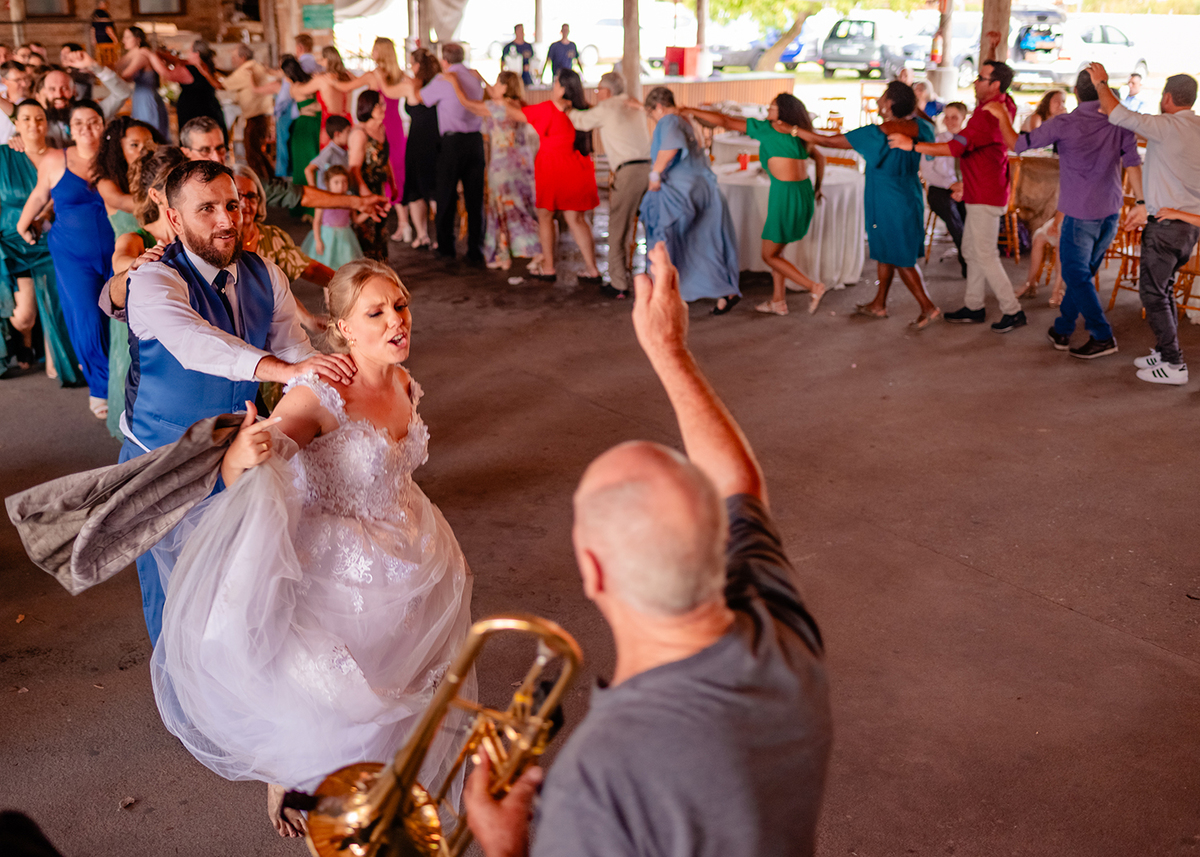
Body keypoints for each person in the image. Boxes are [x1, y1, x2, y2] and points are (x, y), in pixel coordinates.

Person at [462, 241, 832, 857]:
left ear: (593, 570)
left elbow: (737, 489)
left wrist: (509, 848)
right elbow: (740, 486)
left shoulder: (596, 782)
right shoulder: (782, 632)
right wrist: (669, 349)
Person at [147, 257, 473, 838]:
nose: (396, 321)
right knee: (337, 700)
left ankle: (378, 789)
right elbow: (263, 448)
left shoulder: (403, 382)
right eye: (375, 312)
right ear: (344, 328)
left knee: (399, 689)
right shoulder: (319, 393)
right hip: (337, 565)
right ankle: (296, 776)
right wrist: (246, 450)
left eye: (399, 306)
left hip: (409, 546)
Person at [120, 159, 356, 643]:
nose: (227, 219)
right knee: (172, 592)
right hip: (160, 459)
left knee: (239, 585)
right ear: (175, 219)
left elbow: (297, 353)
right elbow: (195, 344)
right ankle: (184, 706)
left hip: (237, 455)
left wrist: (339, 396)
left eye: (233, 204)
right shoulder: (151, 280)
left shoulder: (265, 274)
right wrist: (285, 369)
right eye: (206, 208)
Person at [988, 69, 1142, 360]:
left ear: (1076, 92)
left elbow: (1018, 145)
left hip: (1080, 212)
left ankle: (1102, 334)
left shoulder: (1065, 123)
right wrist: (1142, 201)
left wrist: (1001, 117)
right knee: (1081, 276)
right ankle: (1063, 328)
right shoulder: (1119, 121)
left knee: (1075, 274)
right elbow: (1133, 162)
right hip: (1110, 210)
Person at [785, 81, 938, 327]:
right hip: (908, 193)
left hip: (888, 198)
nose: (878, 101)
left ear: (889, 103)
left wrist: (793, 130)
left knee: (901, 257)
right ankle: (879, 304)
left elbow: (829, 141)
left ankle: (928, 307)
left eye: (883, 97)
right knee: (886, 252)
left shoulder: (875, 133)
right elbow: (923, 124)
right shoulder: (922, 127)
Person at [889, 60, 1026, 333]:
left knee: (984, 253)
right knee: (972, 251)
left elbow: (953, 147)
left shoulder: (987, 115)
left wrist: (912, 145)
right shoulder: (1004, 102)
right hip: (981, 189)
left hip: (985, 193)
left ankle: (1013, 310)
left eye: (981, 78)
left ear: (994, 84)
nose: (975, 81)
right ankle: (974, 306)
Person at [1089, 63, 1200, 386]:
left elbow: (1117, 112)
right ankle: (1166, 352)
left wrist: (1102, 82)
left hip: (1167, 225)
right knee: (1163, 290)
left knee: (1153, 293)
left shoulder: (1166, 126)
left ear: (1167, 98)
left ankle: (1174, 363)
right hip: (1187, 229)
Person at [685, 94, 827, 316]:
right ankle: (778, 301)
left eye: (773, 107)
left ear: (784, 111)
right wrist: (818, 187)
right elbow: (820, 158)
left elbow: (725, 121)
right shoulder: (797, 133)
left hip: (785, 195)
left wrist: (690, 110)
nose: (768, 110)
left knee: (769, 255)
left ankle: (813, 286)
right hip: (803, 192)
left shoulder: (768, 129)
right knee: (778, 251)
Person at [17, 100, 114, 419]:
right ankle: (100, 389)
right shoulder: (55, 159)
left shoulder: (116, 159)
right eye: (80, 123)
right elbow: (40, 194)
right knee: (87, 316)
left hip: (119, 249)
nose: (87, 128)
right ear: (70, 128)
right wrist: (22, 222)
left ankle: (127, 380)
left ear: (104, 124)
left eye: (94, 121)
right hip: (73, 254)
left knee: (123, 316)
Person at [485, 68, 600, 282]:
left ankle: (548, 267)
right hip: (578, 167)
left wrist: (502, 100)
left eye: (556, 83)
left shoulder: (549, 109)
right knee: (576, 219)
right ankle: (592, 269)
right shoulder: (582, 108)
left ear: (563, 88)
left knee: (545, 216)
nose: (553, 87)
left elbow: (517, 115)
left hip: (553, 167)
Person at [102, 146, 185, 439]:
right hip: (147, 344)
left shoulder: (193, 236)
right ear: (157, 195)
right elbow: (120, 260)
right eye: (176, 183)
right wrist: (138, 263)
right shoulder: (138, 237)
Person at [179, 114, 393, 223]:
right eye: (205, 150)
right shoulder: (175, 192)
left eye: (220, 148)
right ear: (186, 152)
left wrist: (358, 202)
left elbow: (297, 194)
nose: (216, 157)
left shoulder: (238, 180)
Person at [0, 99, 80, 388]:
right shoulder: (4, 155)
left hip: (52, 239)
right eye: (26, 119)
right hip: (12, 242)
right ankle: (23, 338)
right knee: (24, 318)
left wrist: (45, 213)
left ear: (46, 123)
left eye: (39, 119)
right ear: (16, 124)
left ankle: (55, 359)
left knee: (55, 303)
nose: (33, 125)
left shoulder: (61, 156)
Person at [638, 86, 740, 313]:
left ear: (658, 107)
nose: (654, 120)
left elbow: (671, 147)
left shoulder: (668, 121)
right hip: (705, 188)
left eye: (652, 114)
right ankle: (725, 291)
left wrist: (655, 175)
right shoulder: (688, 120)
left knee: (664, 237)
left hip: (681, 191)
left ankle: (664, 292)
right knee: (705, 240)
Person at [441, 69, 541, 271]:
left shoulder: (499, 106)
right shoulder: (520, 104)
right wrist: (483, 79)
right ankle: (527, 251)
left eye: (497, 83)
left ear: (505, 87)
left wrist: (454, 82)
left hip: (503, 166)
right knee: (523, 207)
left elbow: (468, 104)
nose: (493, 86)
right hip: (523, 164)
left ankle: (522, 252)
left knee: (501, 208)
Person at [568, 70, 651, 298]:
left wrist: (566, 108)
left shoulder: (608, 107)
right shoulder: (633, 104)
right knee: (649, 225)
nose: (596, 94)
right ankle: (650, 275)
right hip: (649, 169)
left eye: (598, 90)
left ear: (607, 91)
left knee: (618, 228)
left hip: (629, 172)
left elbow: (580, 121)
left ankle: (619, 284)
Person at [233, 164, 334, 332]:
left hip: (270, 333)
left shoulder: (272, 239)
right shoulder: (216, 244)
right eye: (237, 196)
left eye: (252, 196)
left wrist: (357, 287)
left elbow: (308, 272)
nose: (245, 203)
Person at [417, 43, 485, 264]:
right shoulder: (475, 77)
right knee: (474, 199)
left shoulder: (443, 80)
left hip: (453, 143)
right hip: (475, 141)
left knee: (446, 194)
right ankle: (475, 248)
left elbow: (421, 98)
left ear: (444, 60)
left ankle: (446, 247)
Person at [341, 37, 413, 243]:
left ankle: (380, 215)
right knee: (395, 170)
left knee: (376, 167)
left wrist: (331, 78)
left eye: (374, 50)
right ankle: (403, 222)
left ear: (379, 52)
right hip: (395, 124)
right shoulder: (401, 75)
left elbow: (347, 87)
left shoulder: (373, 75)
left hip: (378, 123)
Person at [398, 49, 441, 250]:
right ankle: (436, 236)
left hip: (419, 140)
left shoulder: (413, 85)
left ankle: (423, 234)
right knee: (431, 189)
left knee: (420, 189)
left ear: (417, 65)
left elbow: (390, 91)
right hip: (433, 139)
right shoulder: (438, 84)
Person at [921, 101, 968, 279]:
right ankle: (967, 260)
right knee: (951, 212)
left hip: (965, 189)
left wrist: (963, 188)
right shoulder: (936, 141)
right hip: (940, 189)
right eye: (946, 117)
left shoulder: (969, 141)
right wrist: (950, 185)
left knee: (972, 213)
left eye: (954, 117)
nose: (949, 121)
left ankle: (973, 256)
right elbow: (927, 171)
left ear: (963, 118)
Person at [93, 116, 163, 237]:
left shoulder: (158, 176)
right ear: (119, 149)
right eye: (134, 145)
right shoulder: (106, 183)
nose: (144, 150)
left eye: (149, 144)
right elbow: (131, 204)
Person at [348, 90, 396, 261]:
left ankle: (381, 272)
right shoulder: (360, 134)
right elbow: (354, 169)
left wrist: (393, 183)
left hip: (379, 188)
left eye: (383, 104)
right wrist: (366, 195)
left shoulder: (381, 128)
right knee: (366, 233)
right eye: (378, 105)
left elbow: (385, 158)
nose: (383, 108)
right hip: (364, 189)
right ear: (368, 107)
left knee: (381, 231)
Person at [116, 27, 189, 139]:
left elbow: (125, 75)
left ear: (137, 39)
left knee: (149, 132)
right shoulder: (139, 53)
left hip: (146, 99)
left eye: (127, 37)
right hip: (140, 97)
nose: (124, 40)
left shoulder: (143, 55)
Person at [223, 44, 275, 180]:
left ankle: (263, 185)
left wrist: (205, 71)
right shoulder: (257, 66)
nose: (232, 60)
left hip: (256, 117)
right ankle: (272, 181)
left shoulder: (246, 70)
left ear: (243, 57)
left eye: (234, 57)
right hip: (262, 116)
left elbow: (222, 84)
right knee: (258, 153)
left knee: (252, 154)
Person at [301, 165, 364, 269]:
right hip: (327, 237)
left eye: (344, 182)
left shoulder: (350, 199)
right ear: (328, 183)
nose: (341, 186)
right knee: (327, 264)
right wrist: (318, 240)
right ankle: (327, 285)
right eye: (336, 182)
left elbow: (356, 220)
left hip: (345, 236)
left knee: (345, 263)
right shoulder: (323, 200)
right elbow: (316, 222)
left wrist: (369, 212)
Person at [175, 41, 228, 145]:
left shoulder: (191, 69)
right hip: (211, 107)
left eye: (190, 51)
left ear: (196, 53)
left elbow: (167, 74)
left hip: (192, 108)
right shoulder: (209, 66)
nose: (188, 53)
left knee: (195, 139)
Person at [304, 114, 350, 189]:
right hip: (329, 194)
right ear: (337, 134)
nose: (350, 135)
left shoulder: (343, 152)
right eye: (348, 132)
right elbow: (308, 169)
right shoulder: (329, 152)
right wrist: (315, 191)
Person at [91, 0, 120, 67]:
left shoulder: (95, 14)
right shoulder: (104, 13)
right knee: (109, 60)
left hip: (99, 40)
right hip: (107, 40)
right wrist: (115, 39)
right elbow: (108, 29)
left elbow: (92, 29)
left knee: (100, 60)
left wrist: (93, 40)